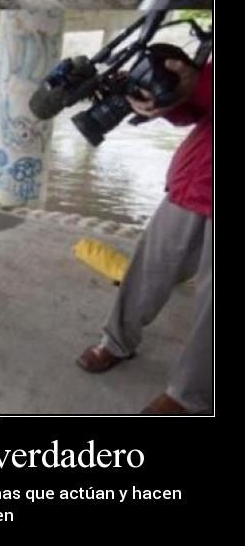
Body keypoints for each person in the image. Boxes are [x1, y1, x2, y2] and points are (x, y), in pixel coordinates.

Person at [87, 46, 212, 412]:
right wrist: (169, 100)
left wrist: (203, 85)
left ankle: (190, 393)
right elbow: (202, 107)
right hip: (196, 178)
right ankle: (116, 341)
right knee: (150, 267)